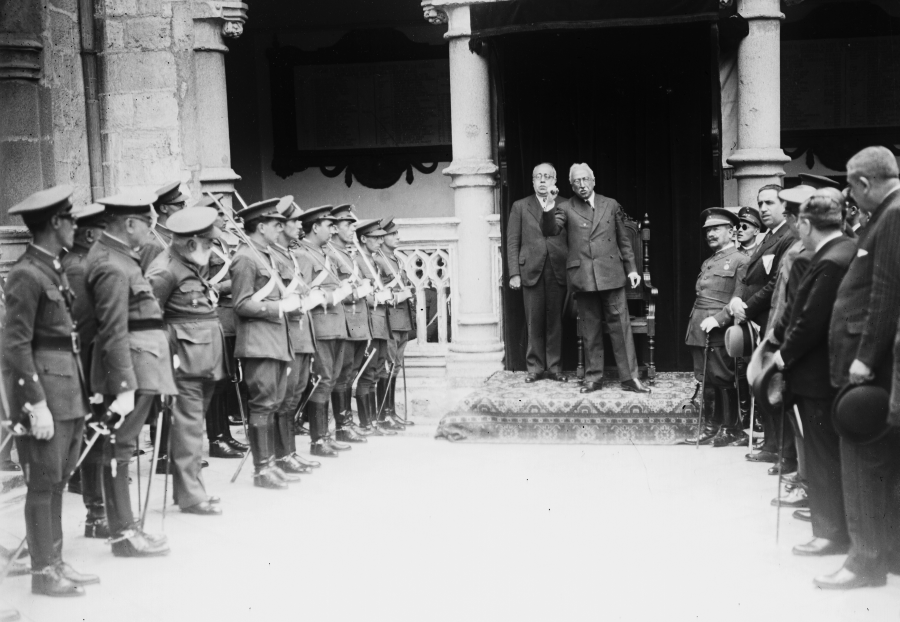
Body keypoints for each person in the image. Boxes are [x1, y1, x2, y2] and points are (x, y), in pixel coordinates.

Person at [3, 185, 99, 597]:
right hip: (46, 393)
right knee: (43, 483)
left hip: (67, 389)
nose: (75, 225)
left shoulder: (52, 267)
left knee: (58, 480)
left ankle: (55, 561)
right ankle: (44, 571)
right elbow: (15, 345)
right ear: (55, 223)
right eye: (70, 219)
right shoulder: (26, 273)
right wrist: (35, 404)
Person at [818, 146, 900, 590]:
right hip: (881, 362)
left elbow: (885, 294)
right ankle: (887, 554)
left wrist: (865, 358)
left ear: (864, 183)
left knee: (863, 457)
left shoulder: (893, 215)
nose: (848, 196)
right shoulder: (887, 213)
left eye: (850, 187)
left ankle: (865, 561)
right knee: (881, 459)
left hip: (874, 364)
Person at [85, 192, 176, 557]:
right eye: (147, 226)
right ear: (129, 224)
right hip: (131, 367)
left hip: (142, 361)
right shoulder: (111, 264)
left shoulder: (121, 257)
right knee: (120, 447)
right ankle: (124, 534)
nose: (150, 234)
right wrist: (122, 386)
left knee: (120, 447)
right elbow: (112, 329)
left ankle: (126, 528)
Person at [771, 188, 855, 559]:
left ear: (806, 224)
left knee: (820, 457)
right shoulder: (847, 250)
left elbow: (808, 321)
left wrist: (781, 357)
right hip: (833, 371)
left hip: (817, 375)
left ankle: (829, 533)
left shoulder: (828, 260)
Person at [145, 207, 227, 515]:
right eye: (208, 243)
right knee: (188, 430)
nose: (212, 248)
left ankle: (190, 491)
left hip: (201, 360)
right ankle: (192, 497)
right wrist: (164, 362)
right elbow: (148, 319)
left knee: (192, 429)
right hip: (183, 362)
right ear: (191, 243)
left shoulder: (187, 264)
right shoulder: (165, 270)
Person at [540, 162, 649, 394]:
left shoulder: (610, 204)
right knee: (590, 330)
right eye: (576, 181)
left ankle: (630, 378)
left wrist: (632, 269)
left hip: (611, 274)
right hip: (583, 277)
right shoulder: (565, 207)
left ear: (593, 180)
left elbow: (623, 240)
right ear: (571, 186)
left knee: (621, 328)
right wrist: (549, 203)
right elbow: (550, 230)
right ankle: (593, 378)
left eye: (585, 179)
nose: (582, 185)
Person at [229, 199, 302, 489]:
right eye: (276, 224)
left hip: (275, 341)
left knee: (272, 404)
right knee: (262, 405)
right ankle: (262, 470)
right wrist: (279, 307)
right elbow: (241, 304)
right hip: (258, 343)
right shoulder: (245, 257)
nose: (280, 229)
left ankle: (270, 463)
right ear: (261, 227)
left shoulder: (265, 256)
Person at [60, 203, 109, 538]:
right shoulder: (79, 267)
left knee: (94, 436)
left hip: (85, 362)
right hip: (88, 363)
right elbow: (86, 325)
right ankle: (97, 512)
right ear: (91, 234)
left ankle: (96, 505)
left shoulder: (77, 263)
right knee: (96, 437)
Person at [683, 208, 749, 446]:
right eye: (708, 230)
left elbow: (740, 298)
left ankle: (733, 430)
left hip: (719, 329)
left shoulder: (741, 261)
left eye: (716, 229)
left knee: (723, 378)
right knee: (707, 378)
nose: (710, 234)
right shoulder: (709, 261)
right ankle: (712, 428)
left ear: (731, 232)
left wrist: (720, 319)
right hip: (699, 326)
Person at [295, 205, 352, 456]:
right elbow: (303, 293)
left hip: (336, 325)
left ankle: (325, 436)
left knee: (331, 380)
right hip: (320, 326)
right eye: (329, 226)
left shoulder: (326, 253)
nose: (332, 230)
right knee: (322, 380)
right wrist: (331, 296)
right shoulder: (303, 255)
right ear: (315, 227)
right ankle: (317, 440)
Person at [268, 198, 318, 472]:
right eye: (294, 221)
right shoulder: (271, 256)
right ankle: (281, 455)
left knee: (295, 394)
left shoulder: (291, 255)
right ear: (280, 225)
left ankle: (289, 453)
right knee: (285, 397)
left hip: (301, 332)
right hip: (286, 333)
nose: (300, 225)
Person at [506, 163, 568, 383]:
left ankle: (555, 367)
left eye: (547, 176)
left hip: (558, 268)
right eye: (538, 177)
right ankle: (535, 367)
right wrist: (514, 273)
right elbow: (513, 241)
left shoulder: (565, 204)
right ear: (532, 181)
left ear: (555, 180)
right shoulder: (520, 206)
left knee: (555, 321)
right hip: (530, 269)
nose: (542, 180)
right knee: (534, 320)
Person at [199, 194, 248, 459]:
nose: (225, 218)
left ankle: (225, 435)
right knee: (217, 382)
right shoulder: (201, 246)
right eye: (219, 214)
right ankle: (216, 439)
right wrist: (236, 284)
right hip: (217, 318)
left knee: (228, 380)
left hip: (231, 320)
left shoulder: (220, 243)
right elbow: (205, 286)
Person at [326, 205, 378, 442]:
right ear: (335, 228)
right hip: (344, 321)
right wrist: (360, 291)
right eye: (347, 225)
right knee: (342, 375)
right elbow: (338, 293)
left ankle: (347, 423)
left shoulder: (347, 254)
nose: (352, 230)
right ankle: (342, 427)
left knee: (350, 374)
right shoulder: (330, 254)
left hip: (357, 322)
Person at [354, 218, 397, 435]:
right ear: (363, 239)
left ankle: (374, 421)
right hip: (369, 321)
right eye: (375, 238)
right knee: (367, 373)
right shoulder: (356, 261)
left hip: (381, 323)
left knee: (378, 370)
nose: (380, 241)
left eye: (382, 237)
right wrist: (380, 297)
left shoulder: (373, 260)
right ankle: (366, 423)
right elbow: (362, 295)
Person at [376, 218, 417, 427]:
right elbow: (379, 292)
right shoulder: (378, 260)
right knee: (387, 366)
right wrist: (400, 295)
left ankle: (391, 412)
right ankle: (383, 414)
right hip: (389, 320)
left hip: (402, 320)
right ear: (382, 237)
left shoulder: (396, 260)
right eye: (392, 234)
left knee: (396, 366)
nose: (397, 237)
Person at [139, 180, 187, 271]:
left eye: (184, 204)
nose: (184, 209)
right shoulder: (152, 244)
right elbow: (148, 277)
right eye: (180, 205)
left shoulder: (177, 236)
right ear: (164, 208)